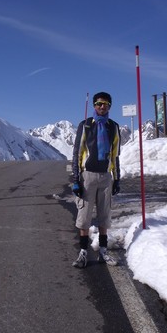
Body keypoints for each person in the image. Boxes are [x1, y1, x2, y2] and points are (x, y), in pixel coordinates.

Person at [71, 92, 121, 268]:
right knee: (84, 217)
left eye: (106, 104)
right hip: (88, 177)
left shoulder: (113, 127)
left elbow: (115, 155)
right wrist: (76, 179)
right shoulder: (85, 126)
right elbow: (77, 153)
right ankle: (83, 253)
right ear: (94, 105)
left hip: (106, 177)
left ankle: (103, 252)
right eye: (99, 104)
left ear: (109, 106)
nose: (102, 107)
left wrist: (117, 178)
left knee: (104, 217)